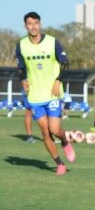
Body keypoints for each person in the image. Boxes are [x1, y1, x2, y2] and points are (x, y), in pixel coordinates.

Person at [15, 11, 76, 175]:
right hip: (35, 95)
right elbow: (21, 67)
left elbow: (65, 63)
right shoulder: (21, 45)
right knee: (44, 131)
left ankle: (64, 140)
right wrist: (23, 80)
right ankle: (59, 163)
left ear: (40, 24)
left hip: (52, 93)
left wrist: (58, 81)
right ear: (25, 26)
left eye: (36, 23)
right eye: (30, 23)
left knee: (54, 129)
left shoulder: (52, 42)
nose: (33, 26)